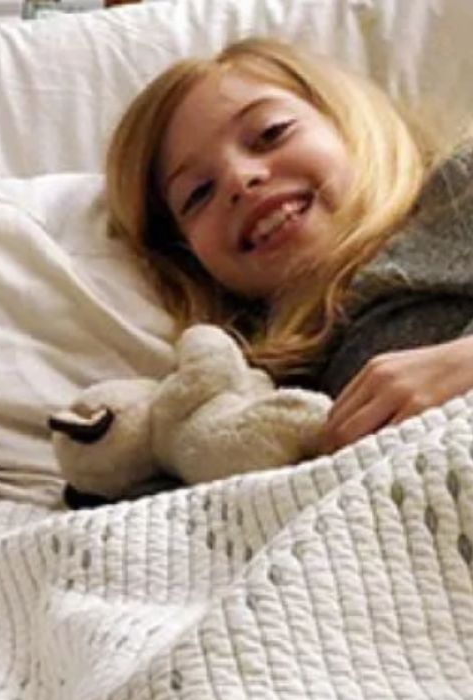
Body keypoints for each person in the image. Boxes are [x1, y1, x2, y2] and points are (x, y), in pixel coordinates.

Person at [104, 37, 473, 452]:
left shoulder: (459, 190)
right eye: (198, 193)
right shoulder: (260, 384)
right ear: (187, 256)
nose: (240, 180)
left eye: (270, 134)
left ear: (346, 119)